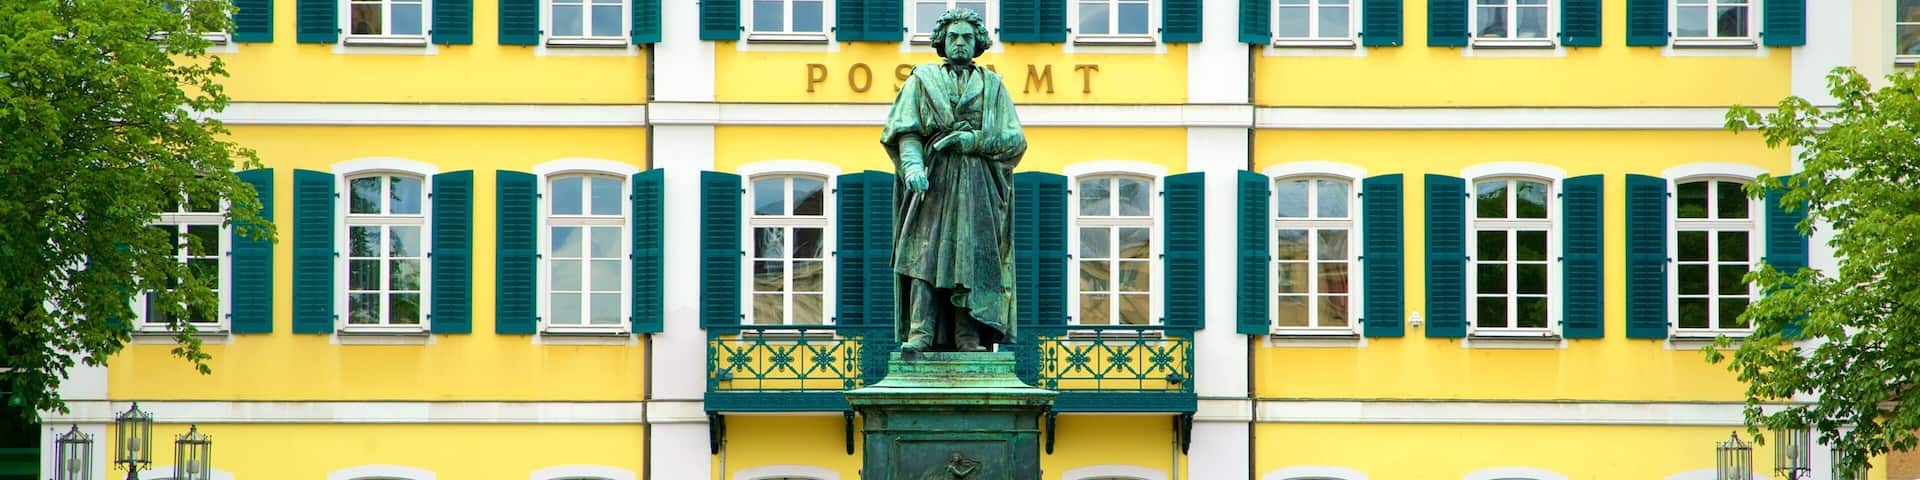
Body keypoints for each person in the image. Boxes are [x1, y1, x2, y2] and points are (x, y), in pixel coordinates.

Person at [879, 7, 1026, 353]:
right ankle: (920, 333)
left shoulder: (993, 87)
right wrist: (912, 168)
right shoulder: (921, 80)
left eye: (967, 37)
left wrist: (971, 141)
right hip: (932, 181)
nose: (960, 43)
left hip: (978, 186)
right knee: (923, 256)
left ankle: (968, 337)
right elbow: (907, 131)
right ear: (942, 41)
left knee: (972, 260)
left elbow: (1014, 140)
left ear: (978, 43)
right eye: (953, 37)